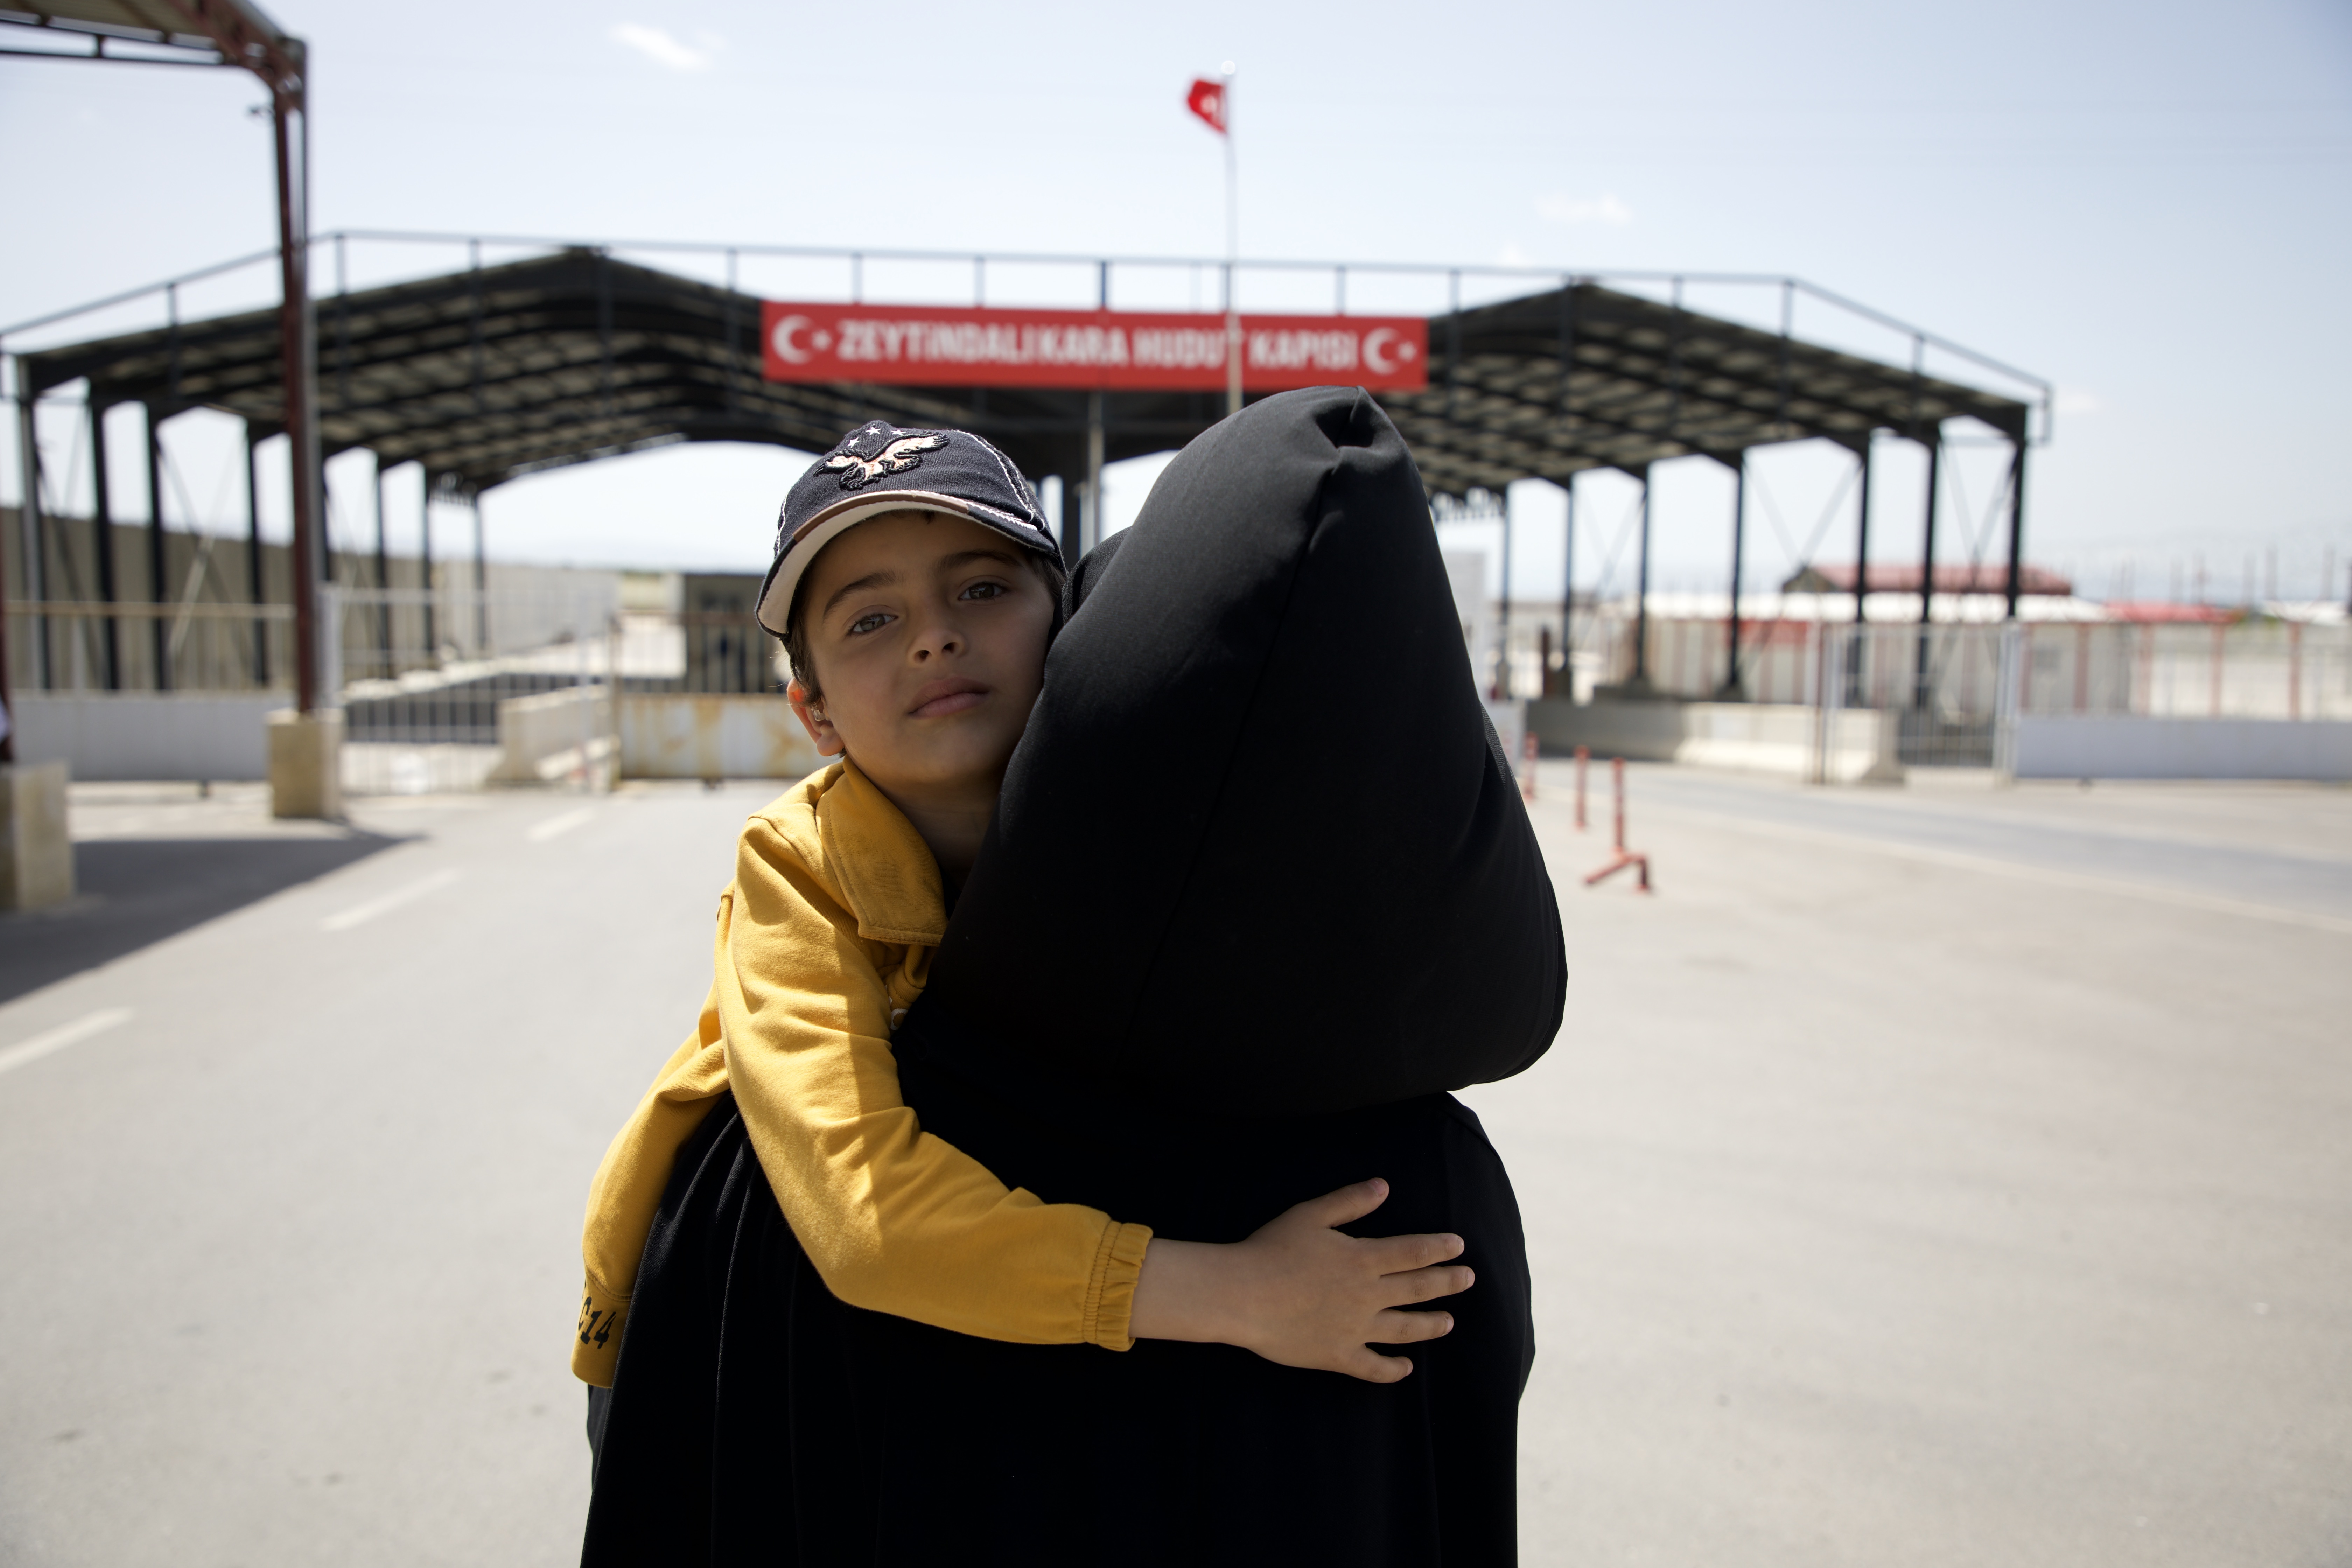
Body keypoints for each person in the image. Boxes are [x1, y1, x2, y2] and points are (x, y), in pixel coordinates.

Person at [581, 395, 1564, 1565]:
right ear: (815, 713)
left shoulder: (1131, 805)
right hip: (699, 1329)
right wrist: (1236, 1295)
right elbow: (862, 1215)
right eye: (870, 620)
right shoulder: (801, 869)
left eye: (983, 590)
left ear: (1074, 621)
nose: (934, 638)